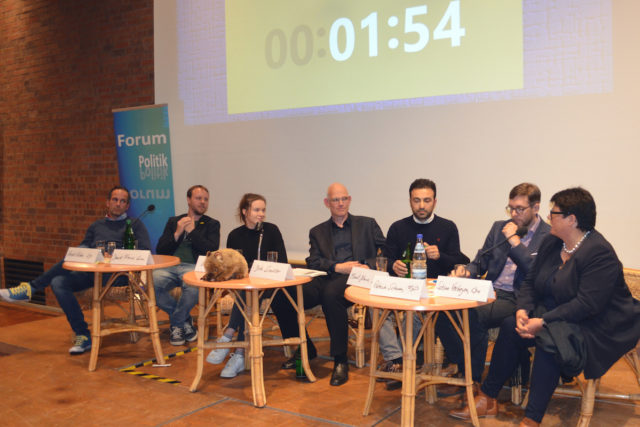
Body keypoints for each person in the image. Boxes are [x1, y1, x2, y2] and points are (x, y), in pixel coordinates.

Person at [450, 187, 640, 426]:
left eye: (554, 214)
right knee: (511, 326)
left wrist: (543, 322)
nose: (549, 218)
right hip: (558, 312)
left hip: (600, 322)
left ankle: (532, 418)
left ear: (572, 219)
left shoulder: (599, 253)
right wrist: (522, 310)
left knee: (550, 340)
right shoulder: (553, 242)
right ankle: (488, 397)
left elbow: (587, 304)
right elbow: (531, 282)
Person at [0, 186, 151, 355]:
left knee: (65, 268)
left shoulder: (135, 225)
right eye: (115, 200)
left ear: (127, 206)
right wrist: (83, 252)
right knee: (59, 282)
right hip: (92, 273)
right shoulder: (96, 226)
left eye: (123, 201)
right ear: (107, 203)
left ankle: (30, 288)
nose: (118, 204)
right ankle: (82, 335)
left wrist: (115, 256)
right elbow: (86, 245)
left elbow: (145, 251)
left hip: (118, 276)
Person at [441, 183, 550, 393]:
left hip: (518, 298)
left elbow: (537, 273)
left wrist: (515, 242)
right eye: (511, 208)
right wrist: (467, 271)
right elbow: (480, 260)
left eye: (520, 209)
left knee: (474, 316)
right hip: (488, 290)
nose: (514, 214)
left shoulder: (547, 236)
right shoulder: (498, 227)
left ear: (536, 208)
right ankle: (466, 369)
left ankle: (471, 381)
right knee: (443, 314)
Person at [378, 178, 469, 389]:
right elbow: (385, 258)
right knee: (376, 309)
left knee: (419, 314)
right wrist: (394, 265)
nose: (421, 205)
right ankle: (396, 359)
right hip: (403, 286)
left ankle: (399, 363)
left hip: (433, 290)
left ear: (434, 202)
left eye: (426, 200)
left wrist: (441, 256)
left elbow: (461, 260)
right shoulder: (398, 227)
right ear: (410, 201)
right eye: (416, 200)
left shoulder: (447, 227)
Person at [304, 183, 385, 386]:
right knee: (287, 295)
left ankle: (340, 360)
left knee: (331, 295)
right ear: (327, 203)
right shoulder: (317, 231)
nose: (340, 203)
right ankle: (304, 348)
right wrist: (338, 267)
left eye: (343, 199)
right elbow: (313, 262)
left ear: (349, 200)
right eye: (335, 200)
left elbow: (387, 253)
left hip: (357, 278)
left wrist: (367, 265)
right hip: (329, 274)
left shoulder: (367, 224)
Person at [205, 193, 294, 378]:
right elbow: (230, 266)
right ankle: (238, 354)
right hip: (245, 288)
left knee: (247, 297)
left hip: (269, 287)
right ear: (245, 211)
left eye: (263, 210)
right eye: (256, 210)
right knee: (246, 296)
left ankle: (228, 338)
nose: (261, 214)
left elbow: (282, 261)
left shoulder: (271, 231)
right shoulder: (235, 236)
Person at [153, 185, 220, 346]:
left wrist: (192, 232)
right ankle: (184, 321)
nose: (203, 202)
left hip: (195, 267)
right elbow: (160, 249)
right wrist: (177, 233)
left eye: (206, 199)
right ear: (189, 200)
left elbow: (210, 250)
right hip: (170, 266)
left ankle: (176, 323)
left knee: (193, 287)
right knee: (151, 283)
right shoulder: (174, 221)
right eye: (198, 198)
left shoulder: (212, 224)